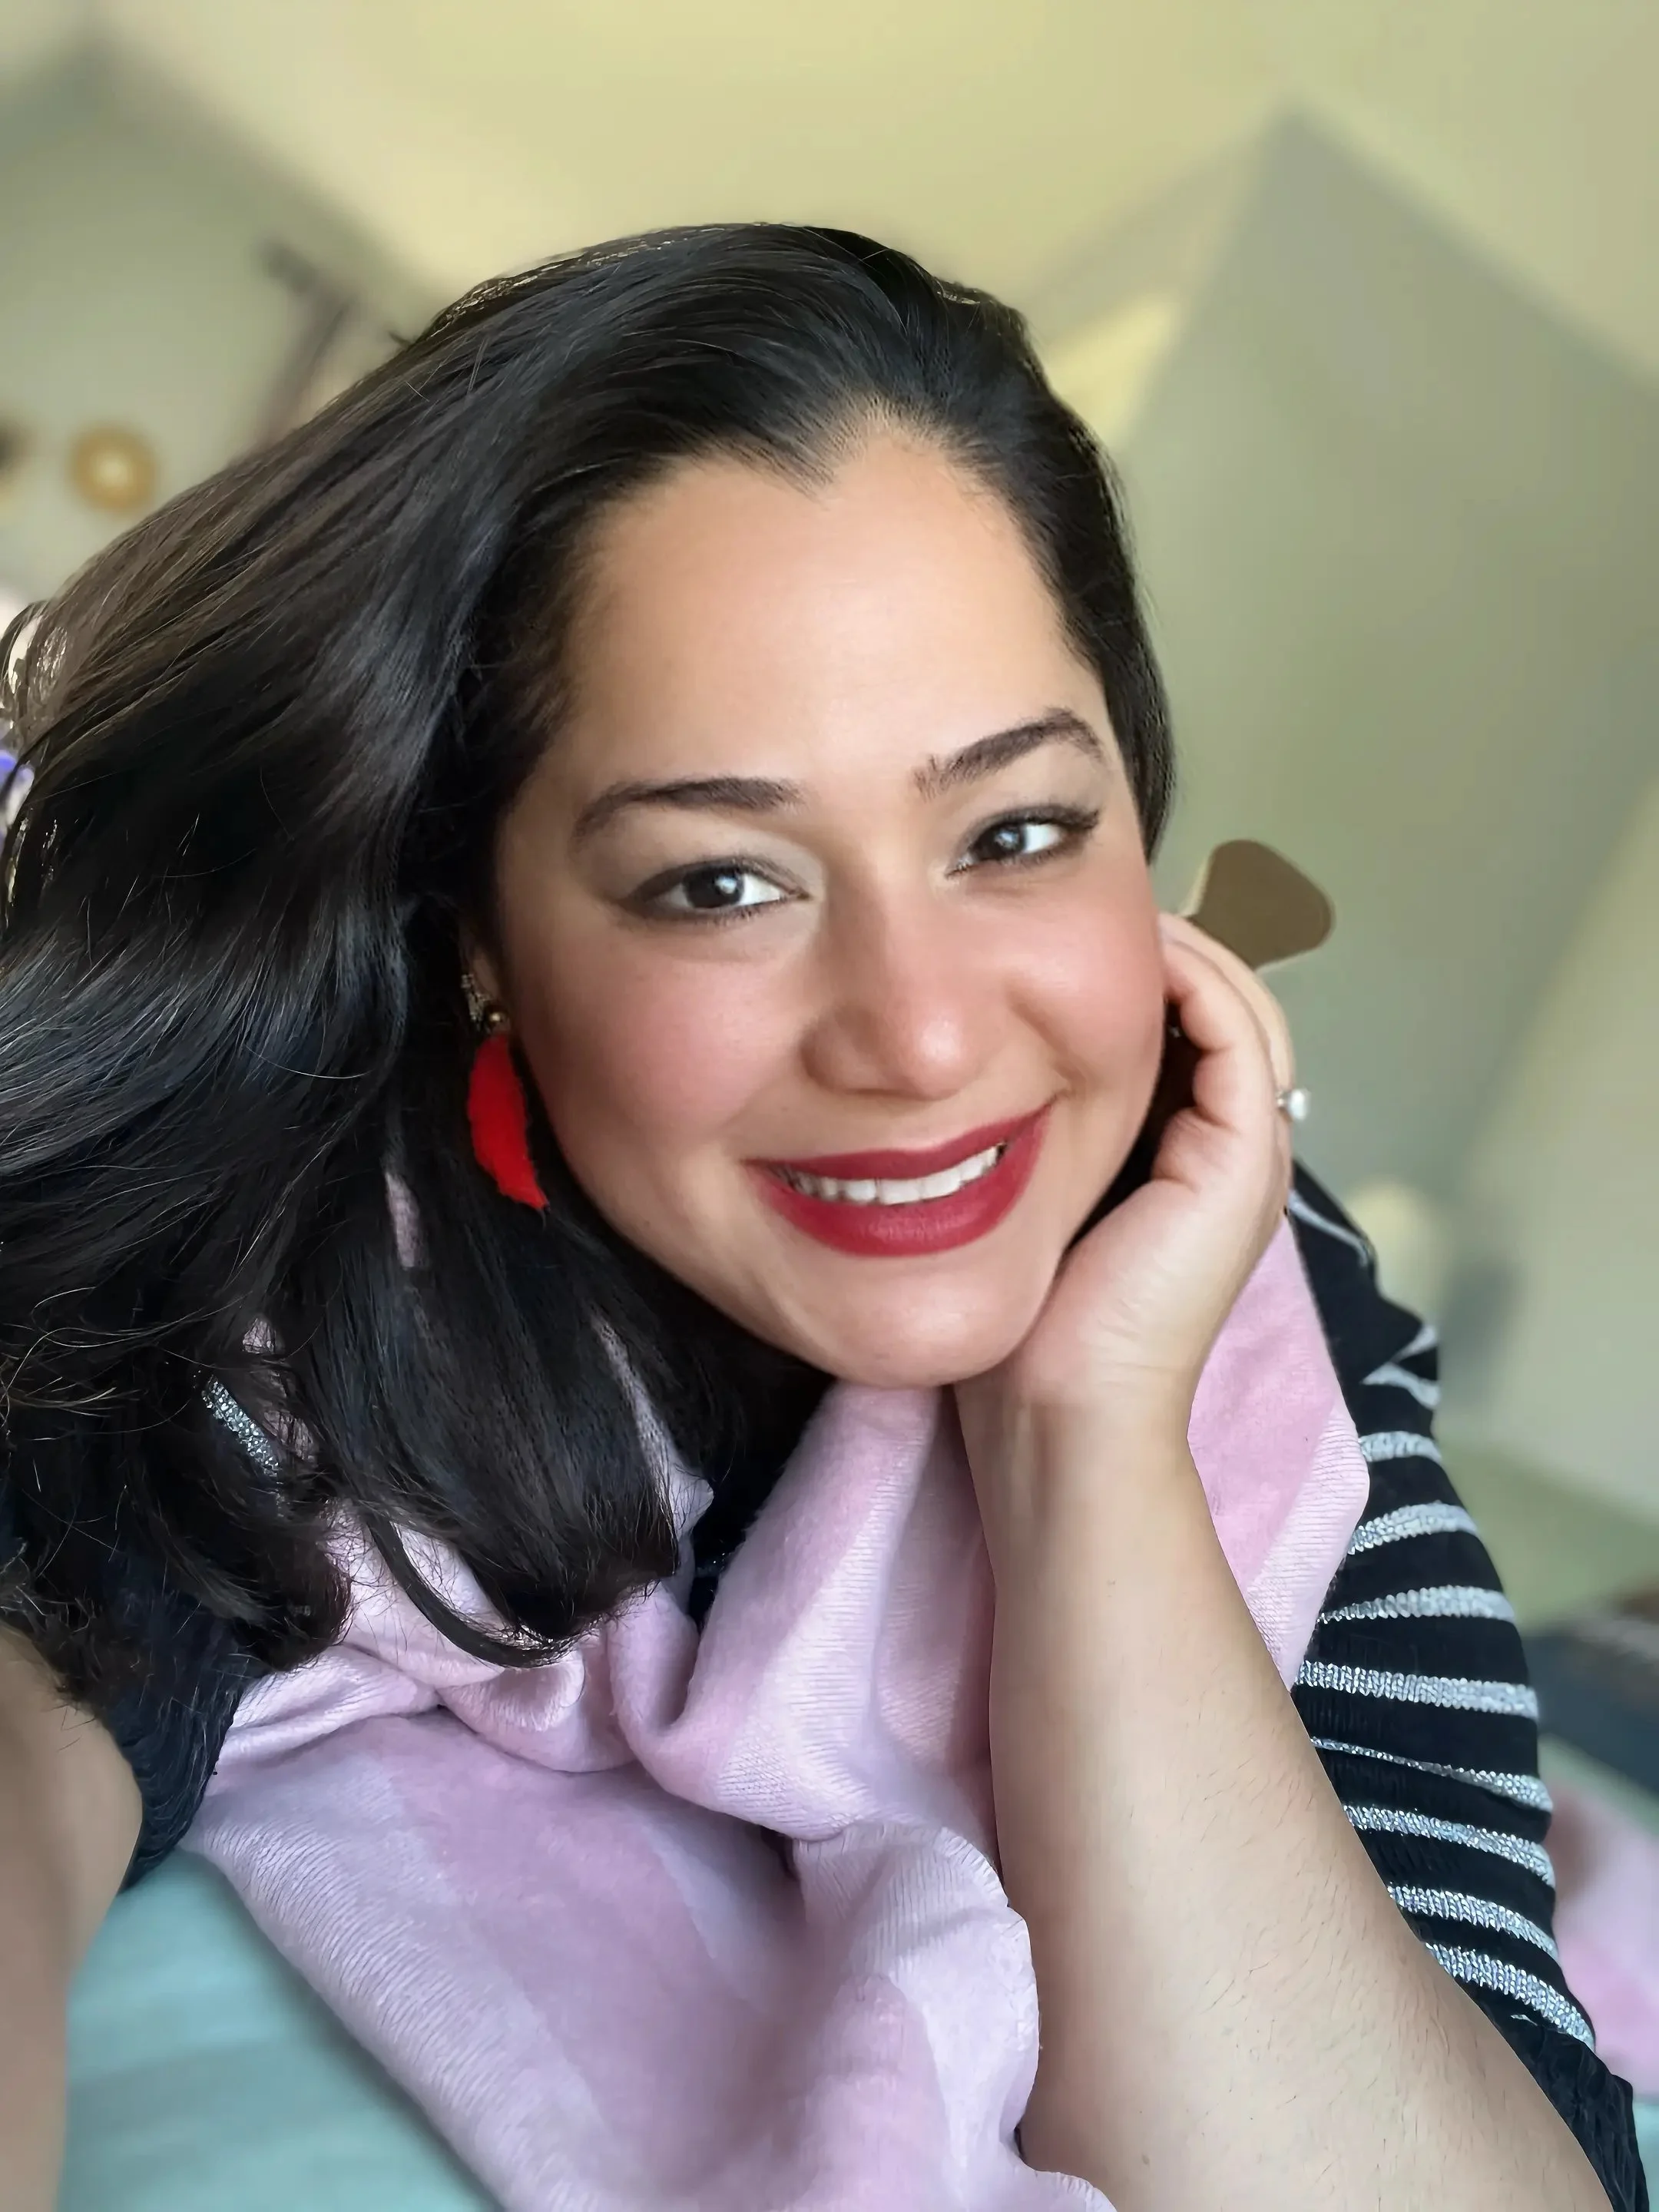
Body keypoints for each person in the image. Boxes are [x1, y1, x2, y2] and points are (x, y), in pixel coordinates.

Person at [0, 225, 1641, 2212]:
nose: (925, 1037)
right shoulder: (280, 1243)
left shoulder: (1252, 1290)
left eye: (1015, 832)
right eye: (720, 882)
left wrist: (1091, 1436)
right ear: (484, 939)